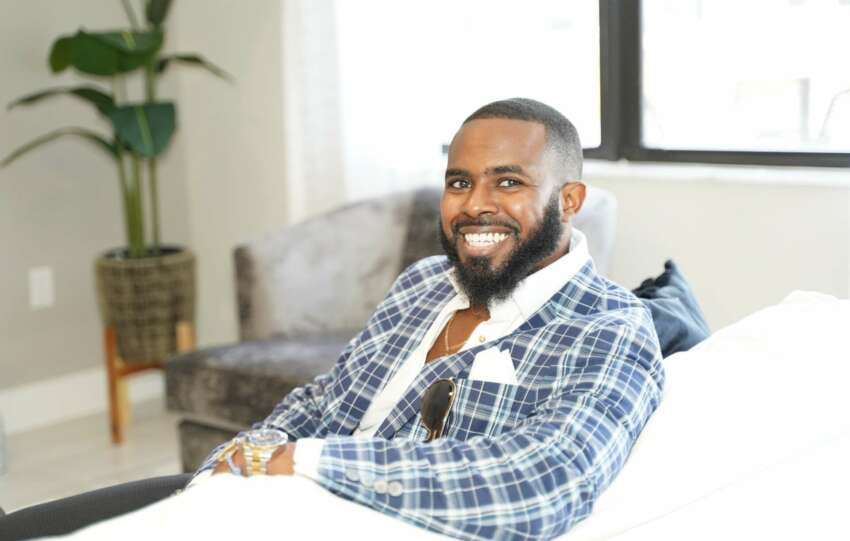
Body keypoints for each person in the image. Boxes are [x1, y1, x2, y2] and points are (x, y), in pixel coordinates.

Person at [0, 98, 664, 541]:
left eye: (508, 182)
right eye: (460, 182)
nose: (473, 205)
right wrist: (238, 461)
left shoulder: (609, 327)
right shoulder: (424, 283)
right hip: (259, 501)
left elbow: (540, 480)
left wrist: (303, 462)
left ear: (569, 199)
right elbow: (325, 399)